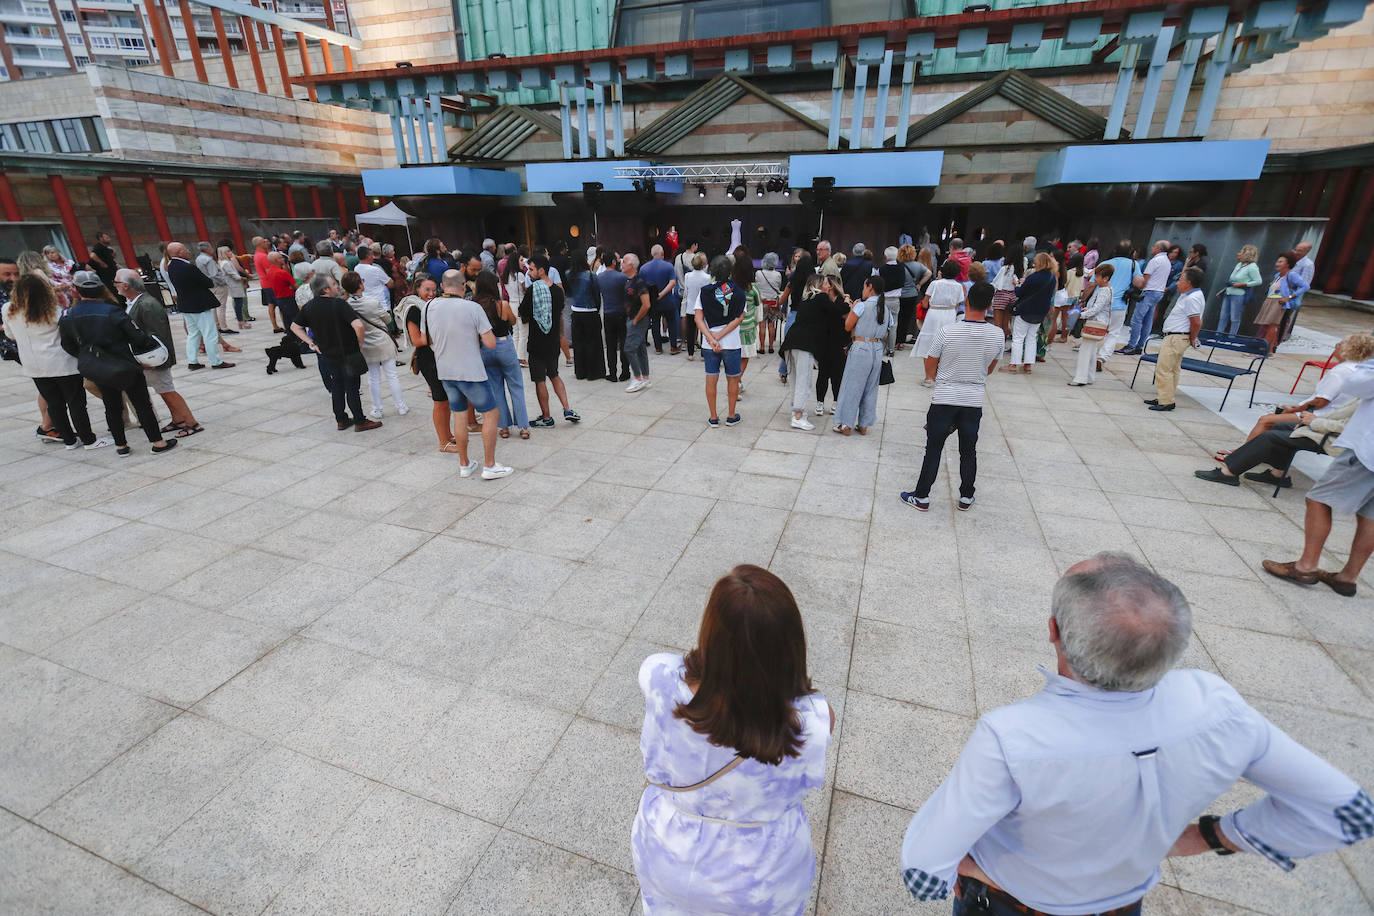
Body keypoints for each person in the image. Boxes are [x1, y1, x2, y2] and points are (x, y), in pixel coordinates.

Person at [900, 552, 1372, 913]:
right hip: (1124, 906)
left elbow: (923, 871)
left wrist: (982, 871)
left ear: (1053, 632)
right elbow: (1349, 813)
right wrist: (1209, 836)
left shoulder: (1012, 736)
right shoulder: (1216, 704)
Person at [631, 565, 833, 916]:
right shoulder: (813, 722)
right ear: (790, 645)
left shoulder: (659, 677)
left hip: (666, 852)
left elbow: (681, 671)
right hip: (761, 879)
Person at [1195, 335, 1374, 488]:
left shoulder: (1342, 372)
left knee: (1269, 429)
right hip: (1323, 422)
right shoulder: (1358, 373)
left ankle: (1230, 471)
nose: (1335, 347)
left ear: (1348, 350)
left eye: (1339, 345)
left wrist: (1303, 415)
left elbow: (1322, 402)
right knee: (1277, 429)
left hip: (1324, 429)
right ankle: (1277, 474)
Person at [900, 282, 1002, 511]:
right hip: (973, 398)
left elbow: (930, 362)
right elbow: (990, 368)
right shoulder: (997, 335)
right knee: (968, 450)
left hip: (945, 396)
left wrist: (941, 376)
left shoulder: (947, 331)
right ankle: (966, 496)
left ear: (966, 302)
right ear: (990, 306)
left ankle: (922, 495)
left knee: (934, 447)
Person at [58, 271, 176, 456]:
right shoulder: (112, 310)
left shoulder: (69, 315)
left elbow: (67, 345)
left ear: (77, 290)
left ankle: (121, 446)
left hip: (98, 367)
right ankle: (157, 442)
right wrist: (148, 344)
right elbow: (137, 337)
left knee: (112, 406)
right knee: (142, 404)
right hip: (124, 364)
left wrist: (87, 355)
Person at [5, 274, 110, 450]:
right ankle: (88, 439)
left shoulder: (8, 309)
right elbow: (69, 333)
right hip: (62, 363)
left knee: (54, 404)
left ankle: (69, 441)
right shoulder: (53, 310)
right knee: (76, 402)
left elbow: (10, 335)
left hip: (34, 366)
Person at [428, 268, 510, 478]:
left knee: (460, 416)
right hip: (471, 371)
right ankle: (490, 465)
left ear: (442, 286)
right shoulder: (471, 308)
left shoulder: (430, 306)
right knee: (491, 413)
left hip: (446, 371)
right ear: (463, 286)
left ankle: (464, 464)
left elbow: (429, 340)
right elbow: (490, 343)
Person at [291, 274, 381, 434]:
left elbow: (295, 327)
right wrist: (359, 343)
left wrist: (312, 343)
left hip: (327, 354)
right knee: (352, 388)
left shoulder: (309, 307)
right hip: (347, 352)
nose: (337, 286)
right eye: (333, 284)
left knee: (337, 386)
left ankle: (341, 420)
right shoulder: (339, 304)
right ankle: (360, 421)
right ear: (325, 289)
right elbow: (358, 326)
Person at [117, 268, 200, 438]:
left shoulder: (147, 304)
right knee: (162, 390)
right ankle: (178, 419)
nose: (115, 286)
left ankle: (191, 422)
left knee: (167, 389)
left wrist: (155, 361)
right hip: (150, 359)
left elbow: (157, 335)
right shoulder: (137, 302)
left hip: (154, 359)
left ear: (125, 286)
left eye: (116, 282)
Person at [521, 255, 581, 427]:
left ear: (541, 270)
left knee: (540, 380)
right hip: (553, 340)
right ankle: (567, 408)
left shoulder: (533, 290)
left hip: (536, 342)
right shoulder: (557, 291)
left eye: (531, 269)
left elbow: (522, 312)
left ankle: (546, 417)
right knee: (554, 375)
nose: (529, 272)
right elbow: (560, 311)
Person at [340, 271, 408, 421]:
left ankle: (377, 409)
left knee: (373, 377)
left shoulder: (346, 306)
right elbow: (388, 318)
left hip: (364, 344)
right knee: (392, 375)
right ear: (360, 285)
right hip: (382, 341)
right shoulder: (372, 302)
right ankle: (401, 406)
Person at [470, 271, 528, 440]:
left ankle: (503, 427)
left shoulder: (475, 306)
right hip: (504, 345)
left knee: (496, 390)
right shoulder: (502, 304)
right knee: (516, 387)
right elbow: (513, 321)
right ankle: (523, 427)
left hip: (485, 348)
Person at [831, 276, 891, 436]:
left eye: (864, 286)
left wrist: (852, 309)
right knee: (870, 388)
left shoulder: (861, 306)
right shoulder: (886, 308)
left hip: (861, 347)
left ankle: (846, 424)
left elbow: (848, 325)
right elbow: (886, 333)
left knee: (852, 386)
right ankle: (864, 424)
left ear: (870, 287)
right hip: (877, 348)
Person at [694, 255, 747, 429]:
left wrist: (711, 337)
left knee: (711, 378)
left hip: (709, 345)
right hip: (731, 343)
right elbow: (739, 318)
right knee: (733, 379)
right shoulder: (738, 292)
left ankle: (713, 417)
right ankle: (731, 416)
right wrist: (721, 335)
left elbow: (698, 319)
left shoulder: (705, 291)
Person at [1143, 267, 1206, 412]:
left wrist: (1192, 338)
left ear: (1189, 283)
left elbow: (1196, 322)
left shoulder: (1193, 298)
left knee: (1164, 369)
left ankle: (1166, 401)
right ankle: (1164, 396)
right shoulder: (1188, 294)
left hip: (1177, 337)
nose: (1177, 283)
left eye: (1180, 280)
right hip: (1174, 336)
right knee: (1172, 369)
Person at [165, 242, 233, 370]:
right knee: (209, 333)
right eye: (185, 249)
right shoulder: (188, 267)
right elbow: (207, 282)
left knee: (193, 334)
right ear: (179, 252)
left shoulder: (171, 265)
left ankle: (192, 361)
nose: (188, 252)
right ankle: (215, 361)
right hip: (199, 304)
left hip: (185, 303)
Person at [779, 264, 823, 431]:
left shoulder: (805, 300)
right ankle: (797, 416)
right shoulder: (820, 299)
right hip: (803, 345)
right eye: (825, 283)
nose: (828, 286)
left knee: (796, 379)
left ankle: (796, 411)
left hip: (792, 343)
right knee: (803, 381)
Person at [915, 260, 967, 386]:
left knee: (929, 345)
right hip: (949, 315)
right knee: (945, 345)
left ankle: (929, 377)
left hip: (934, 314)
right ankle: (940, 375)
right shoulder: (959, 286)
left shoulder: (935, 284)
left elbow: (926, 302)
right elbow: (957, 305)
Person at [1005, 252, 1056, 374]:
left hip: (1026, 309)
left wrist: (1016, 285)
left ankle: (1014, 364)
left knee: (1018, 337)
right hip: (1041, 311)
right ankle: (1028, 364)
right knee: (1032, 338)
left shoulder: (1034, 277)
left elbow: (1020, 292)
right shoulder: (1052, 277)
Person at [1067, 264, 1115, 387]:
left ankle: (1080, 378)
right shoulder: (1106, 289)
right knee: (1092, 350)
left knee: (1085, 350)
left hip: (1096, 322)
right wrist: (1085, 311)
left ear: (1106, 278)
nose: (1095, 279)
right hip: (1099, 321)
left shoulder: (1104, 291)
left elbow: (1096, 308)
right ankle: (1089, 376)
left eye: (1098, 277)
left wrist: (1081, 315)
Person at [1122, 239, 1171, 355]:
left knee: (1137, 319)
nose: (1152, 249)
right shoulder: (1167, 261)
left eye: (1154, 247)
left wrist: (1138, 288)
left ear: (1159, 249)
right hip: (1158, 292)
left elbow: (1146, 278)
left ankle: (1131, 345)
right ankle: (1140, 345)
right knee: (1148, 320)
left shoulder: (1155, 260)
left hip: (1149, 291)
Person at [1253, 252, 1309, 353]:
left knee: (1272, 326)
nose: (1277, 264)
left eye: (1280, 262)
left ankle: (1262, 350)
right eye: (1277, 261)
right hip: (1270, 301)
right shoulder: (1278, 275)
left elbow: (1305, 286)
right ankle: (1269, 351)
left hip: (1278, 303)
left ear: (1287, 264)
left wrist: (1289, 297)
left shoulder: (1292, 275)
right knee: (1268, 326)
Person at [812, 273, 850, 416]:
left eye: (826, 282)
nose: (823, 285)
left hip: (839, 342)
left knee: (837, 375)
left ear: (832, 286)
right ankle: (820, 402)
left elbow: (846, 318)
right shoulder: (822, 300)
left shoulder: (841, 301)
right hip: (823, 341)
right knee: (822, 374)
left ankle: (836, 401)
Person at [1096, 240, 1141, 361]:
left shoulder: (1105, 263)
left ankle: (1089, 354)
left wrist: (1084, 299)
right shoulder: (1133, 264)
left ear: (1115, 250)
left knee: (1096, 330)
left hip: (1100, 302)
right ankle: (1102, 357)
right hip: (1119, 304)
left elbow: (1092, 283)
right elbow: (1139, 282)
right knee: (1113, 332)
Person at [565, 252, 605, 380]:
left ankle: (580, 372)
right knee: (593, 343)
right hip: (590, 310)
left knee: (579, 343)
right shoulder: (591, 276)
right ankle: (594, 372)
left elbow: (570, 292)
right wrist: (597, 308)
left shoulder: (568, 274)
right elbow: (596, 294)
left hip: (576, 310)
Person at [622, 253, 654, 393]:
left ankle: (637, 378)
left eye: (624, 261)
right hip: (632, 318)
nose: (621, 264)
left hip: (638, 320)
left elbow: (646, 305)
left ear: (632, 265)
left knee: (629, 348)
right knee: (640, 348)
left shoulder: (639, 282)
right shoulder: (628, 281)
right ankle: (645, 378)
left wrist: (635, 320)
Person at [640, 244, 680, 355]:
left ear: (652, 254)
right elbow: (672, 282)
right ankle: (673, 347)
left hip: (652, 302)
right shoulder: (668, 266)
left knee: (655, 323)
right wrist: (661, 294)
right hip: (667, 300)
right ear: (662, 254)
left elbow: (641, 285)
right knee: (671, 322)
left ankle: (658, 348)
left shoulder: (644, 268)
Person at [596, 251, 629, 382]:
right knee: (623, 343)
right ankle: (625, 372)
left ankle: (612, 373)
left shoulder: (600, 277)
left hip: (608, 313)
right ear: (614, 262)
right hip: (621, 312)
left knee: (610, 345)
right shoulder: (622, 277)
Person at [1217, 244, 1263, 336]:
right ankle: (1218, 335)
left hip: (1239, 294)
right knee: (1223, 316)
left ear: (1247, 254)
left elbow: (1258, 281)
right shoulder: (1239, 264)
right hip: (1229, 292)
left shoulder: (1252, 266)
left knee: (1235, 318)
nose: (1238, 254)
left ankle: (1231, 337)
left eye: (1241, 252)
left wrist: (1244, 284)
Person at [193, 241, 234, 337]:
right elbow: (214, 274)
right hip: (218, 285)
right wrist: (224, 282)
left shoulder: (199, 259)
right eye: (211, 248)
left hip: (209, 285)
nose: (212, 250)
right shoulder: (208, 260)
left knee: (214, 308)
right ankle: (223, 327)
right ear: (207, 249)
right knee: (221, 306)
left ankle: (217, 326)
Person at [895, 243, 929, 350]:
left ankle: (894, 340)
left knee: (897, 318)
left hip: (898, 294)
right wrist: (919, 284)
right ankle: (901, 342)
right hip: (912, 294)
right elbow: (928, 273)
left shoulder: (897, 265)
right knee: (906, 319)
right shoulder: (918, 265)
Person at [1282, 240, 1316, 342]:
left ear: (1306, 252)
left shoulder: (1308, 264)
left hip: (1291, 294)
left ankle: (1280, 337)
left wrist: (1291, 296)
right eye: (1296, 249)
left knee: (1285, 316)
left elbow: (1305, 284)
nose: (1296, 252)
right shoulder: (1291, 260)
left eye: (1299, 251)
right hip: (1281, 291)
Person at [679, 251, 710, 362]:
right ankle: (703, 354)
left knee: (690, 331)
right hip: (703, 307)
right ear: (703, 264)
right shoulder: (707, 277)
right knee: (703, 331)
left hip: (690, 306)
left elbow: (686, 291)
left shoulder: (687, 276)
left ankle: (690, 353)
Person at [755, 251, 784, 355]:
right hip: (773, 302)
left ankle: (762, 347)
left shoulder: (759, 273)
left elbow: (757, 286)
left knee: (762, 326)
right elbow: (778, 286)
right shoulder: (778, 274)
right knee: (771, 325)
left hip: (763, 302)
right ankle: (771, 347)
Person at [217, 245, 250, 329]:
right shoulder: (225, 263)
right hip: (234, 285)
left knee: (239, 303)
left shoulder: (228, 262)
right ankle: (241, 321)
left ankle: (241, 321)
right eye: (227, 251)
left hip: (236, 284)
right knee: (238, 304)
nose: (230, 252)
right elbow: (233, 274)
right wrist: (243, 278)